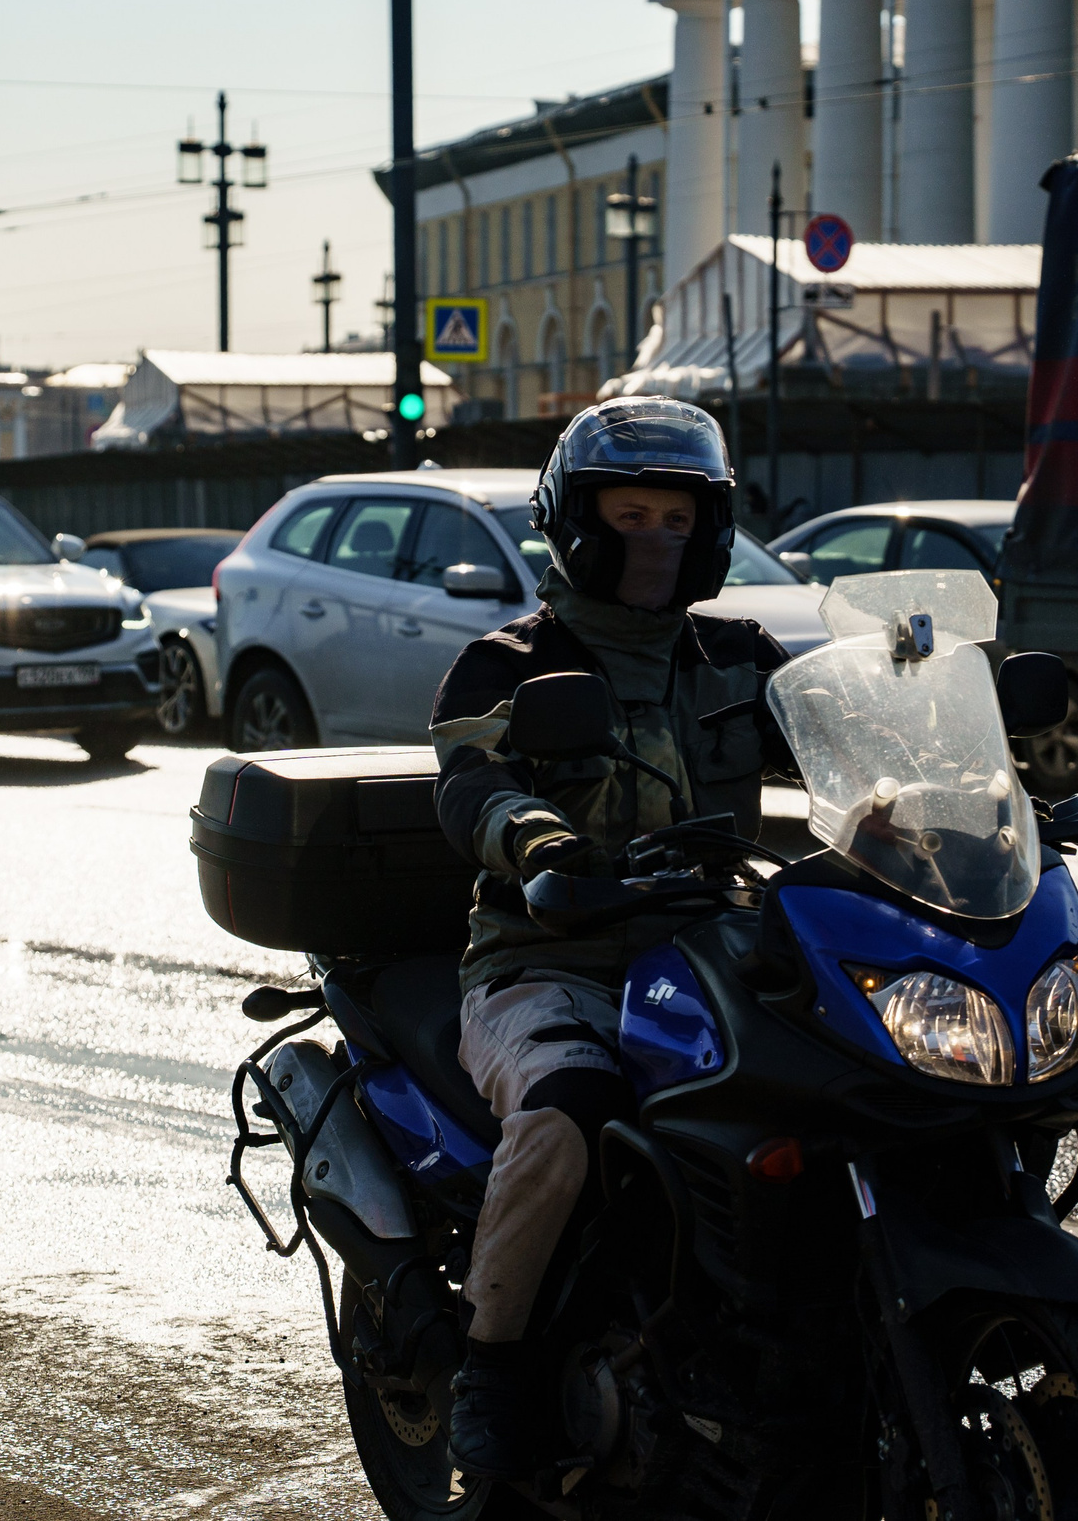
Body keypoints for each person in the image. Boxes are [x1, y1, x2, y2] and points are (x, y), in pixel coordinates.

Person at [428, 398, 789, 1477]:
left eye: (674, 519)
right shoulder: (509, 662)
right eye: (627, 513)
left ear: (710, 530)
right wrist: (538, 843)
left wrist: (944, 793)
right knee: (567, 1111)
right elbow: (471, 782)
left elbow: (846, 748)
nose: (651, 540)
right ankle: (489, 1369)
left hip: (714, 959)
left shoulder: (741, 655)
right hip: (551, 961)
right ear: (573, 520)